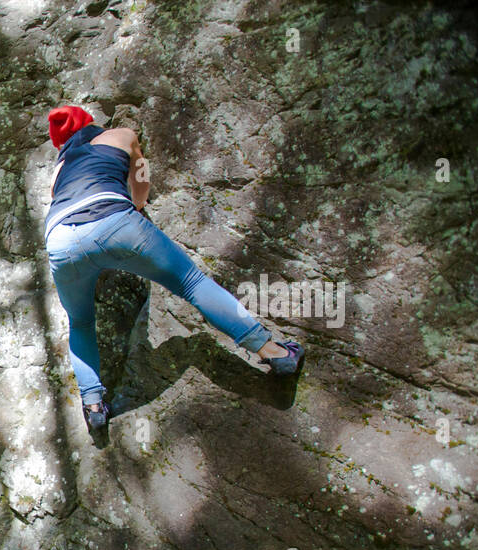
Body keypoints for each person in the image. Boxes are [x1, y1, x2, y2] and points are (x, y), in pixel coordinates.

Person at [43, 105, 305, 432]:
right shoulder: (121, 136)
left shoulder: (60, 168)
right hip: (113, 219)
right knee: (191, 282)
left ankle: (94, 405)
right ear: (90, 123)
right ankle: (273, 351)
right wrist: (135, 206)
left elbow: (60, 199)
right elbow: (141, 185)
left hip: (60, 239)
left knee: (81, 321)